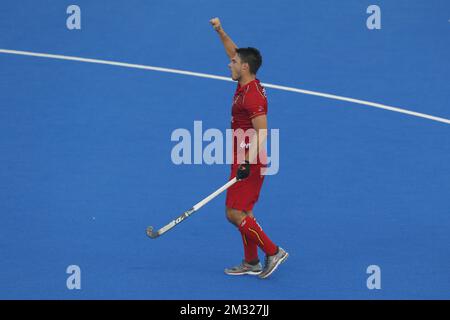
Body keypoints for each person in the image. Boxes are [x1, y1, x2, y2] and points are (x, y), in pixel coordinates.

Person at [210, 17, 288, 279]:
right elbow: (234, 51)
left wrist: (246, 162)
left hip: (249, 158)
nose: (228, 63)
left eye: (233, 62)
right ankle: (251, 261)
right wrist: (221, 31)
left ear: (244, 67)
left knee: (233, 213)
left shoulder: (252, 96)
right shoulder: (245, 82)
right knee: (245, 212)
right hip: (243, 156)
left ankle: (273, 251)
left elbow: (262, 131)